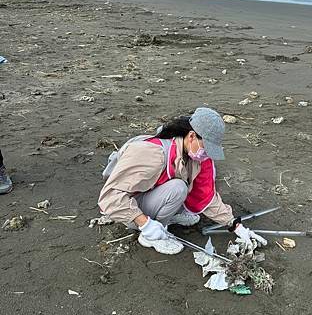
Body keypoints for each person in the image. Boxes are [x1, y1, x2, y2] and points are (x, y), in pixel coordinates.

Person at [98, 107, 267, 255]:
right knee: (178, 187)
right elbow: (110, 197)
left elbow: (205, 196)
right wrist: (145, 223)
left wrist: (235, 225)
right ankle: (152, 235)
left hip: (150, 195)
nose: (207, 154)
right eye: (206, 147)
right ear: (192, 136)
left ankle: (165, 216)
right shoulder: (153, 153)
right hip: (128, 208)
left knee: (187, 195)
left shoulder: (195, 156)